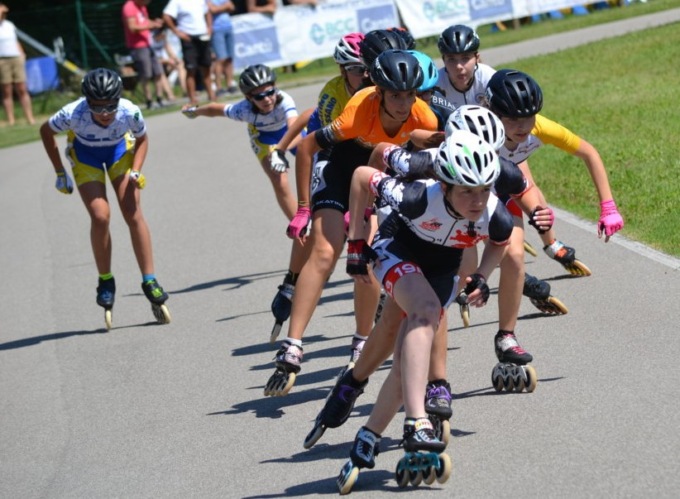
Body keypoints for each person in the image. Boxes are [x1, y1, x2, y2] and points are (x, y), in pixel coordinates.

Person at [336, 130, 513, 493]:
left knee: (407, 365)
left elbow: (500, 243)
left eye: (484, 189)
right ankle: (417, 421)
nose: (477, 200)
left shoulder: (495, 213)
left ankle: (367, 437)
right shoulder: (414, 196)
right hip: (395, 250)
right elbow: (362, 176)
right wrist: (356, 241)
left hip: (441, 268)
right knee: (425, 310)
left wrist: (482, 275)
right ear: (444, 186)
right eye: (467, 191)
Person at [265, 50, 438, 398]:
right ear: (380, 93)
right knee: (324, 251)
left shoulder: (424, 117)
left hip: (375, 175)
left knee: (368, 257)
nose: (404, 104)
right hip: (339, 168)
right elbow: (307, 147)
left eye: (410, 94)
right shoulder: (359, 111)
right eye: (395, 95)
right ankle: (293, 344)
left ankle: (361, 339)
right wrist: (303, 208)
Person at [179, 64, 309, 339]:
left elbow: (294, 130)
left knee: (313, 163)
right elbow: (216, 109)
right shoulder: (243, 110)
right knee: (279, 179)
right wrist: (196, 110)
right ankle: (300, 225)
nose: (267, 99)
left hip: (289, 134)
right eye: (259, 96)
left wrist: (283, 149)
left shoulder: (284, 100)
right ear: (249, 98)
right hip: (263, 139)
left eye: (270, 92)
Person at [39, 68, 171, 329]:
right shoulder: (72, 113)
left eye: (110, 106)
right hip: (85, 156)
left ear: (118, 99)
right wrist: (59, 171)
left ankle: (150, 280)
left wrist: (136, 170)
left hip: (119, 152)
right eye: (96, 106)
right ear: (86, 101)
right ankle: (106, 279)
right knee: (100, 216)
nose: (104, 113)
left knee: (132, 211)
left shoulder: (129, 111)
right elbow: (45, 131)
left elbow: (142, 139)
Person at [485, 68, 624, 268]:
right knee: (508, 243)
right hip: (479, 179)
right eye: (513, 119)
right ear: (495, 115)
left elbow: (589, 153)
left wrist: (608, 207)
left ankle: (551, 244)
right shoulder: (481, 137)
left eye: (529, 117)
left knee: (536, 206)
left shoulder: (541, 128)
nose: (523, 127)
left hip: (510, 167)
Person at [163, 0, 216, 105]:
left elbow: (207, 12)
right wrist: (177, 32)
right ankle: (192, 98)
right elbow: (166, 16)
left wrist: (209, 27)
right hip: (189, 38)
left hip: (203, 36)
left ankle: (211, 95)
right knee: (191, 69)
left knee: (206, 67)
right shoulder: (176, 2)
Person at [121, 0, 165, 110]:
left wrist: (154, 23)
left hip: (149, 44)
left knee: (158, 72)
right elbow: (132, 27)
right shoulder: (129, 7)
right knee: (146, 74)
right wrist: (150, 26)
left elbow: (144, 21)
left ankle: (159, 99)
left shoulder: (142, 7)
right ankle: (149, 101)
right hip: (138, 46)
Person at [0, 3, 34, 125]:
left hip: (16, 58)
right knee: (7, 90)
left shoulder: (9, 25)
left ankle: (30, 118)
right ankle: (11, 120)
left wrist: (22, 54)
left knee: (22, 88)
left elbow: (15, 41)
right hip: (2, 60)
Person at [208, 0, 237, 95]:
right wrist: (225, 6)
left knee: (229, 58)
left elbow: (232, 7)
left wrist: (219, 8)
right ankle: (219, 87)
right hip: (216, 29)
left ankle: (230, 84)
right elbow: (212, 10)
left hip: (228, 27)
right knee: (220, 59)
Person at [151, 26, 186, 100]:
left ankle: (185, 90)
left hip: (165, 61)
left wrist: (175, 59)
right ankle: (170, 95)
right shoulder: (151, 42)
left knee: (180, 65)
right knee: (161, 73)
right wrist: (167, 61)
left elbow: (168, 50)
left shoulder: (163, 40)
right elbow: (153, 58)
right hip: (155, 62)